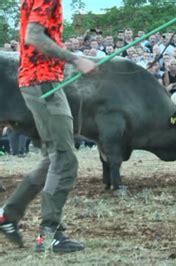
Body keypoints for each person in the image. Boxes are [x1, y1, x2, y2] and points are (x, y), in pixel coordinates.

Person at [0, 0, 96, 253]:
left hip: (42, 82)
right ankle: (50, 234)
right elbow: (34, 36)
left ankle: (8, 215)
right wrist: (75, 59)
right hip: (43, 84)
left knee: (52, 157)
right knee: (65, 160)